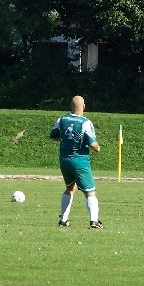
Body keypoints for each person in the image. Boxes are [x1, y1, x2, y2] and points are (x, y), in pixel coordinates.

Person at [50, 95, 103, 229]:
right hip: (79, 161)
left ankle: (63, 220)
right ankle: (94, 220)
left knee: (70, 188)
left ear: (70, 106)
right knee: (90, 191)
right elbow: (92, 144)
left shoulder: (62, 119)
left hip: (64, 161)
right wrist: (98, 148)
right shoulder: (85, 122)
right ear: (84, 106)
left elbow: (54, 135)